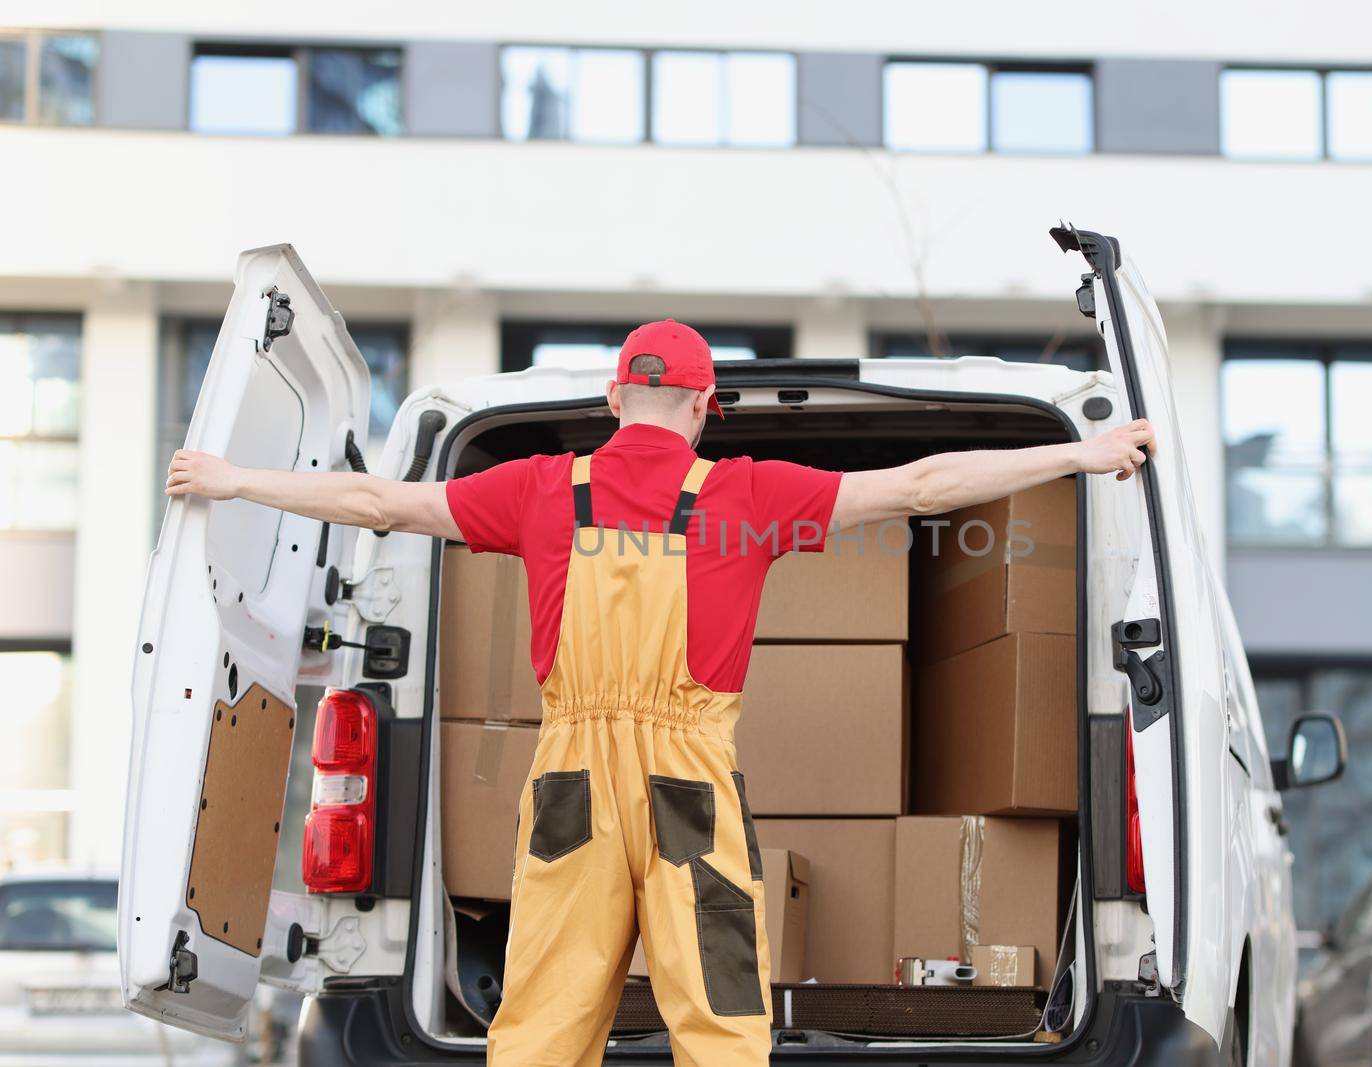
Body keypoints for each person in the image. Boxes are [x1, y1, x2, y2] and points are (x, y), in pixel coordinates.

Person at [165, 319, 1154, 1066]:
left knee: (546, 1012)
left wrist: (235, 477)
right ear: (701, 405)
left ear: (612, 395)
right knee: (720, 1011)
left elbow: (380, 501)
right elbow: (926, 484)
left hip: (570, 790)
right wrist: (1081, 453)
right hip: (690, 786)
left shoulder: (538, 487)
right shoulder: (745, 492)